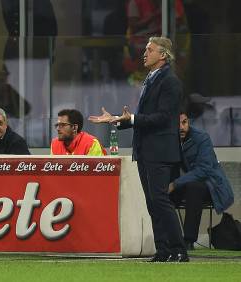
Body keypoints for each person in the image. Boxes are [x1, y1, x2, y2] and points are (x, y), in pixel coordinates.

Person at [89, 37, 188, 262]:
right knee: (152, 202)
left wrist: (132, 118)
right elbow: (142, 118)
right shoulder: (151, 79)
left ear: (163, 55)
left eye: (150, 50)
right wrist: (116, 119)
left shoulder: (170, 81)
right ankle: (163, 251)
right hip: (145, 149)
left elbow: (163, 117)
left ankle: (179, 249)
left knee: (160, 200)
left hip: (160, 149)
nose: (144, 53)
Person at [168, 112, 234, 250]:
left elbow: (204, 170)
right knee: (160, 192)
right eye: (177, 123)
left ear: (189, 122)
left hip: (211, 185)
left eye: (184, 122)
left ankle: (188, 240)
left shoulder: (201, 138)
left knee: (194, 187)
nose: (181, 127)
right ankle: (166, 239)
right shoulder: (170, 139)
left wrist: (175, 184)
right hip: (187, 183)